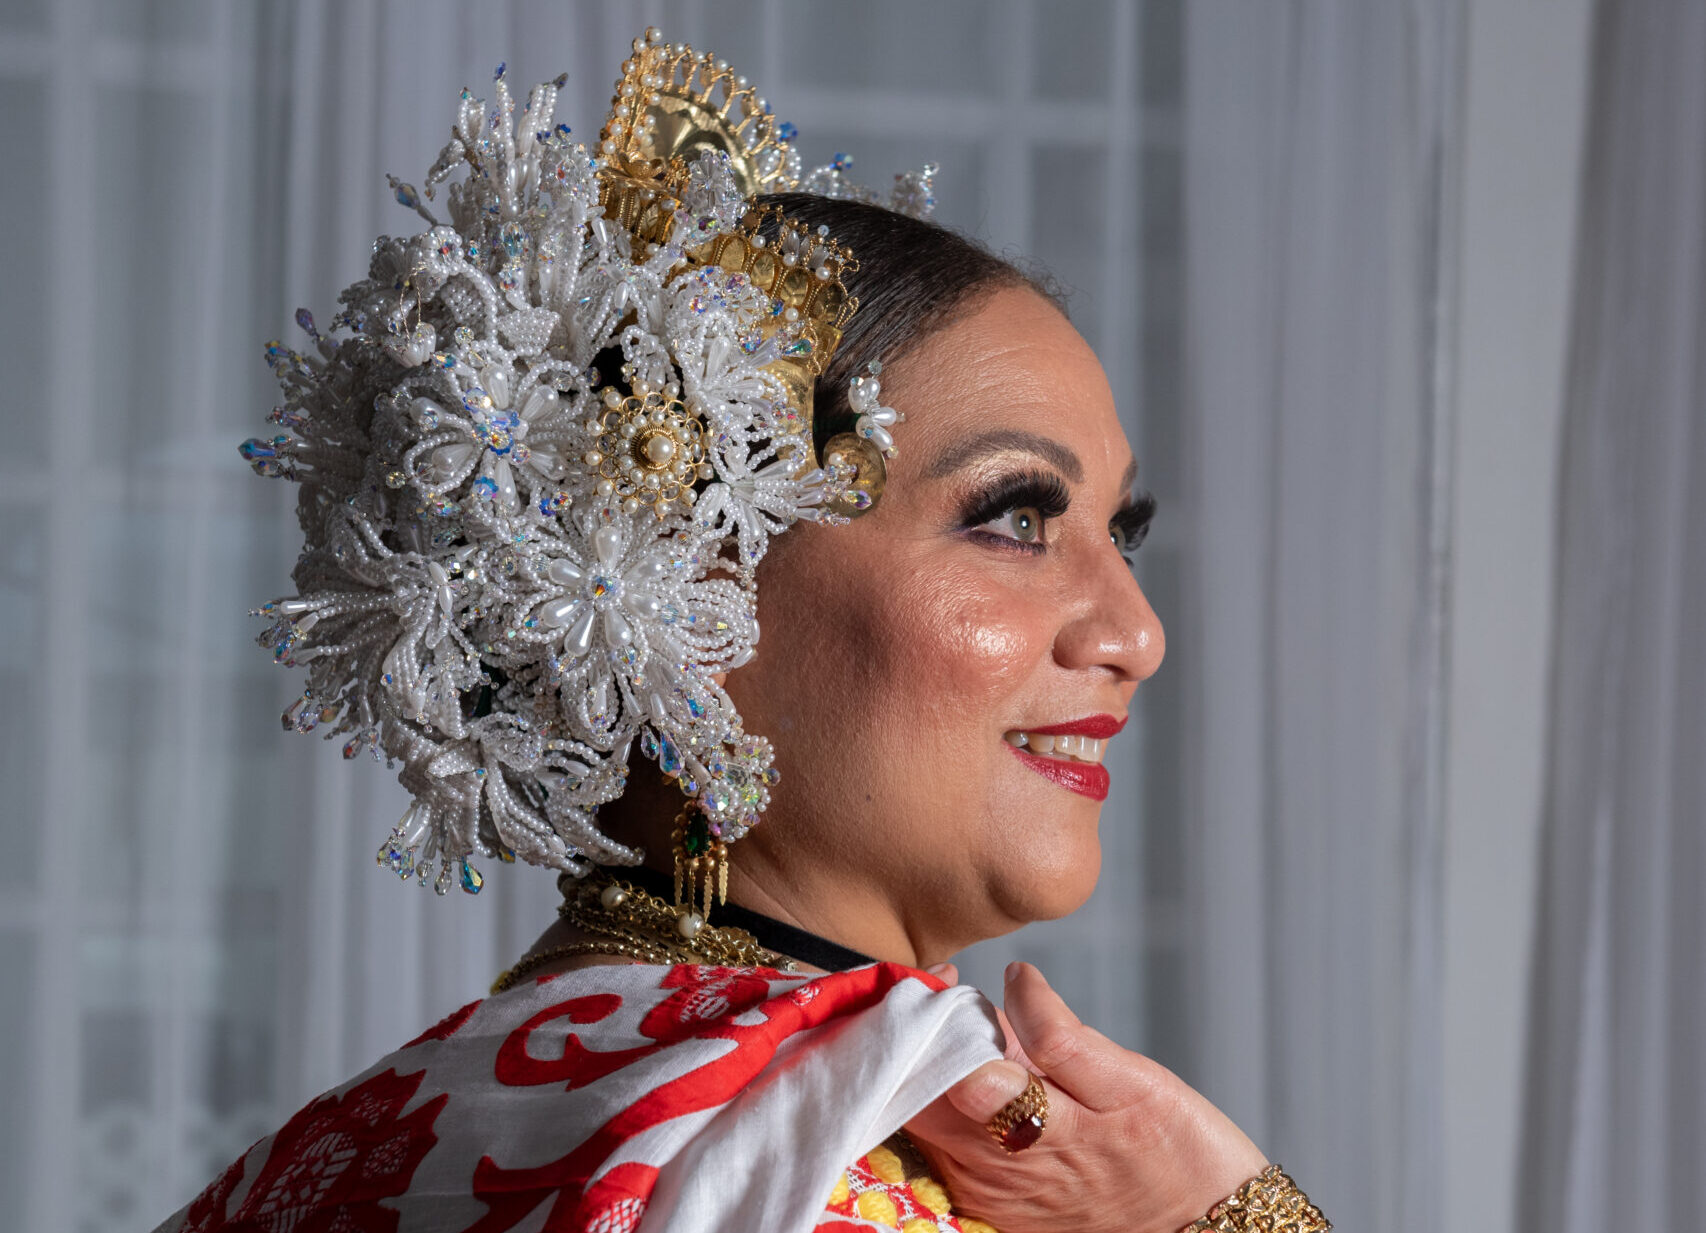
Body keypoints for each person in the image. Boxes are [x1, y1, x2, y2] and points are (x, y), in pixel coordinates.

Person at [159, 29, 1329, 1233]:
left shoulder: (341, 1151)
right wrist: (1233, 1214)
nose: (1134, 633)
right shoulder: (824, 1180)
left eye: (1116, 535)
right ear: (688, 586)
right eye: (1014, 519)